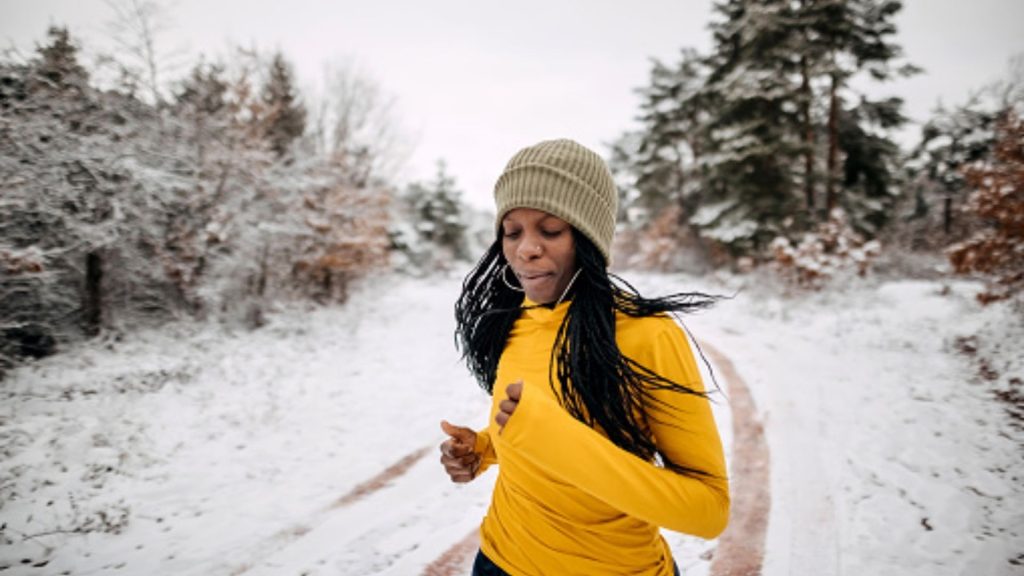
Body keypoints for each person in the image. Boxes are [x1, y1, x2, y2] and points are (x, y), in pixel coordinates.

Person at [440, 139, 729, 576]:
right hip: (498, 560)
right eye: (512, 231)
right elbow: (531, 431)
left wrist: (560, 440)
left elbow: (709, 511)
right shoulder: (517, 319)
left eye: (550, 230)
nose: (525, 249)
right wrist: (483, 449)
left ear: (588, 237)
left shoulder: (646, 335)